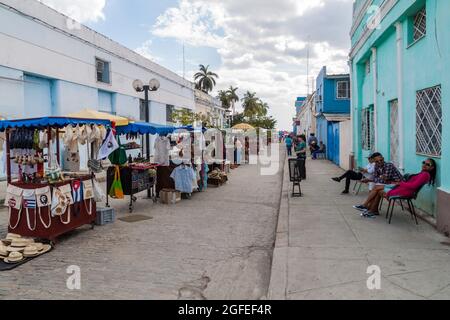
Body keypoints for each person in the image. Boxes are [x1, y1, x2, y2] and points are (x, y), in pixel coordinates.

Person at [361, 158, 436, 217]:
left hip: (406, 192)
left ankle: (369, 208)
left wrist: (400, 183)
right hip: (403, 188)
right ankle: (371, 210)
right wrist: (399, 183)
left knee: (378, 190)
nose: (424, 165)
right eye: (424, 162)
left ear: (432, 168)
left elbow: (413, 186)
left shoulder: (425, 175)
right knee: (377, 188)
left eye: (427, 164)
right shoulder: (423, 173)